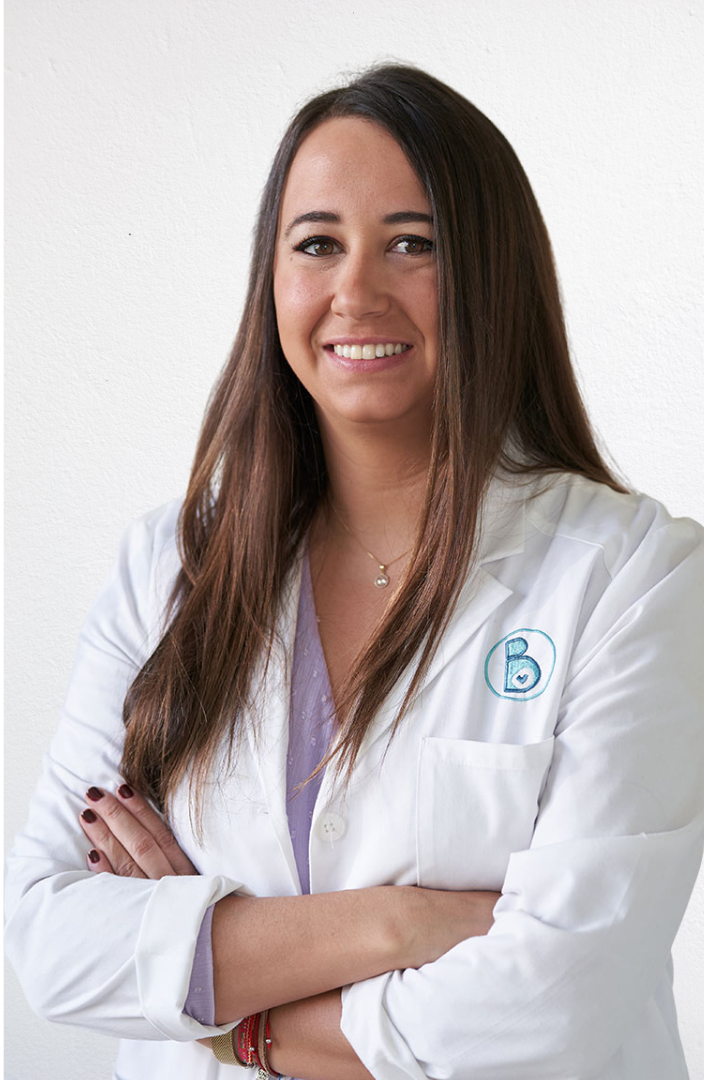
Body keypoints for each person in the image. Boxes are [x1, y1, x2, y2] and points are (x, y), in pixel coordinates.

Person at [4, 62, 704, 1080]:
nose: (356, 292)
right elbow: (51, 942)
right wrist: (399, 923)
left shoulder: (634, 578)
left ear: (492, 272)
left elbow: (551, 1005)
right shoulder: (168, 569)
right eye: (317, 244)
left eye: (413, 244)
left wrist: (218, 1006)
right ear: (272, 279)